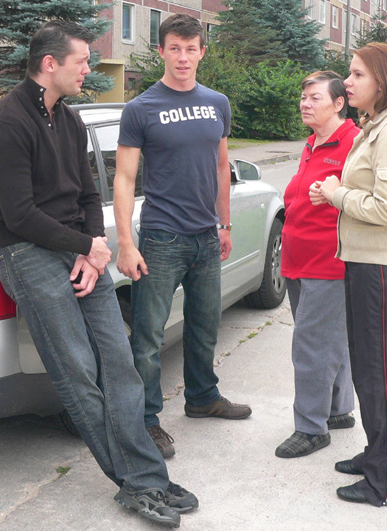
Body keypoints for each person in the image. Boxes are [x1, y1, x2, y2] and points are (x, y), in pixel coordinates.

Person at [0, 20, 197, 527]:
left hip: (77, 251)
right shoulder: (7, 123)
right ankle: (134, 483)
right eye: (82, 61)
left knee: (119, 364)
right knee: (78, 370)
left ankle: (149, 476)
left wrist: (91, 249)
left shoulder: (71, 120)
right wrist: (85, 246)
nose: (88, 69)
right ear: (50, 64)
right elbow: (18, 214)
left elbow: (85, 196)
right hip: (28, 254)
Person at [114, 13, 251, 460]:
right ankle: (146, 420)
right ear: (161, 51)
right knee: (149, 337)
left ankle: (202, 397)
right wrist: (126, 243)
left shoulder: (217, 103)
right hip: (160, 237)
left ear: (202, 52)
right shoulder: (140, 108)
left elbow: (220, 167)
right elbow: (124, 178)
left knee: (204, 325)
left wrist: (224, 224)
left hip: (206, 239)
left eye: (191, 48)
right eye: (175, 48)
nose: (183, 57)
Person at [310, 42, 387, 507]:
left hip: (381, 271)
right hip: (365, 266)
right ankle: (378, 454)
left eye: (356, 74)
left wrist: (337, 194)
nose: (348, 82)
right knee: (369, 371)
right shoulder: (374, 127)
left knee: (383, 377)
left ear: (381, 80)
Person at [275, 71, 359, 459]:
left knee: (311, 345)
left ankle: (311, 428)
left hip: (329, 263)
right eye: (303, 97)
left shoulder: (353, 143)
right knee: (329, 340)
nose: (305, 104)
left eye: (314, 98)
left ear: (339, 103)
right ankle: (338, 409)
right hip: (297, 260)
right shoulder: (313, 142)